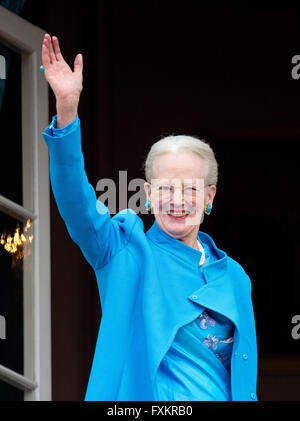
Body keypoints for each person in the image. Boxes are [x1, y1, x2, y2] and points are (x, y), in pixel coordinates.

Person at [41, 34, 258, 401]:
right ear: (148, 194)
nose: (177, 200)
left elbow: (243, 381)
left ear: (210, 196)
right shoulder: (124, 249)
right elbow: (76, 202)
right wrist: (67, 111)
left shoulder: (235, 277)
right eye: (166, 188)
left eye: (190, 189)